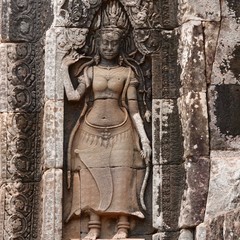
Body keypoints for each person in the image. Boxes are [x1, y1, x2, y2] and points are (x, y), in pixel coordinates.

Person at [62, 11, 151, 240]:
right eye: (105, 43)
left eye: (114, 43)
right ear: (98, 44)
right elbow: (73, 97)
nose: (109, 47)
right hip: (90, 130)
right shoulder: (90, 71)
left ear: (121, 46)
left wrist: (144, 137)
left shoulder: (127, 72)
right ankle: (94, 226)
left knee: (124, 174)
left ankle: (122, 226)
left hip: (122, 130)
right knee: (90, 174)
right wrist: (63, 68)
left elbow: (134, 110)